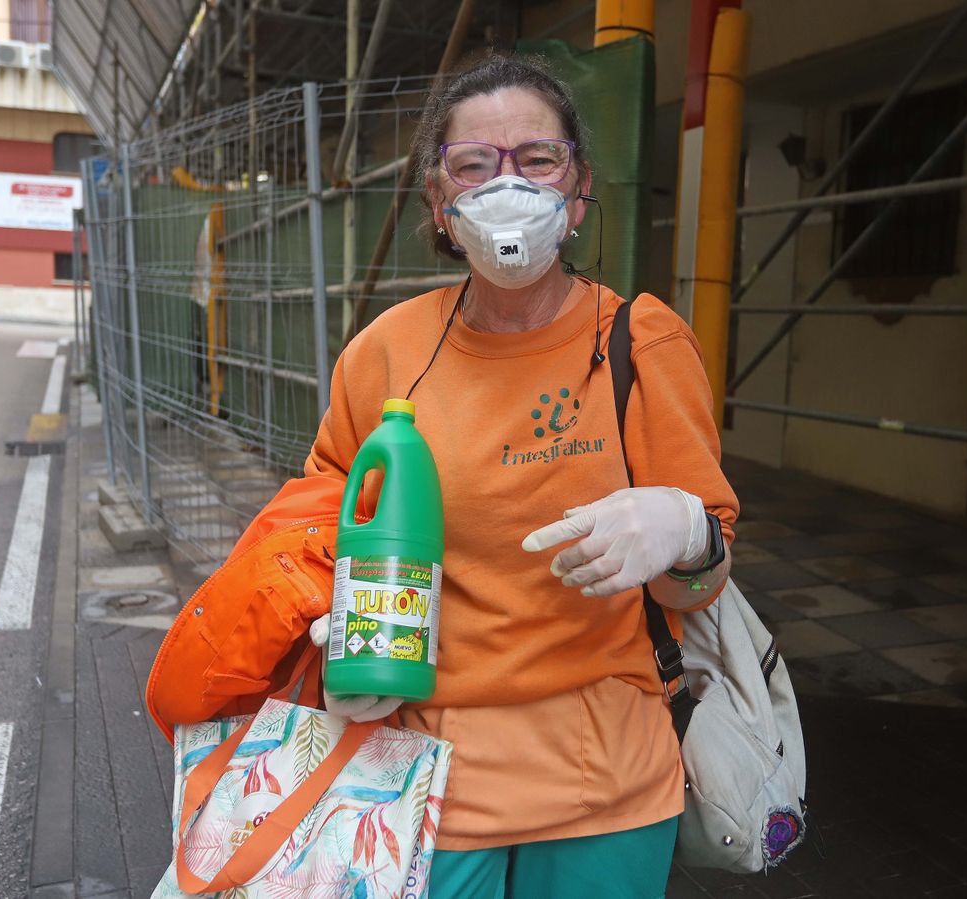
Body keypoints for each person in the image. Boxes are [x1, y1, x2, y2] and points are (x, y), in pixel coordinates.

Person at [303, 54, 738, 899]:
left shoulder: (642, 346)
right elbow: (320, 528)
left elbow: (702, 587)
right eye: (474, 164)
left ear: (577, 194)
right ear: (441, 203)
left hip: (606, 780)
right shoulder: (383, 354)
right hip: (419, 774)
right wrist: (335, 645)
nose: (508, 187)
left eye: (537, 160)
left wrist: (686, 530)